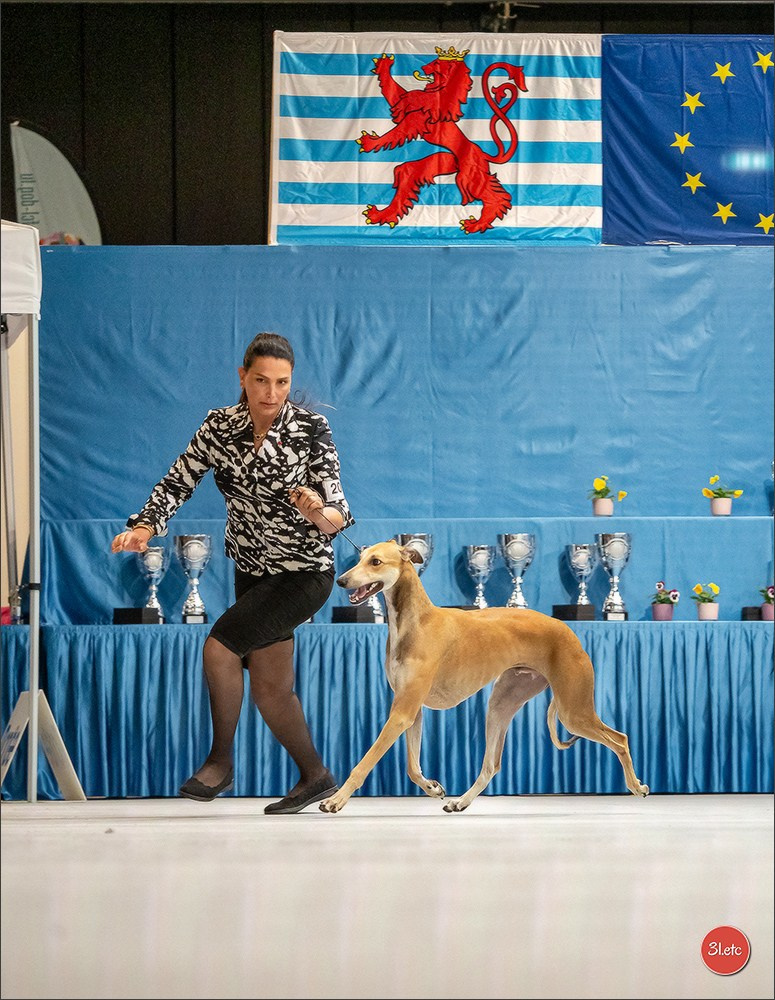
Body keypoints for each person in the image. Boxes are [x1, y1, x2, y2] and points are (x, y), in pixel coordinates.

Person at [111, 332, 353, 814]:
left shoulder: (311, 428)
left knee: (220, 648)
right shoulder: (219, 426)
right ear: (243, 377)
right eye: (261, 380)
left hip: (303, 573)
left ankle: (219, 763)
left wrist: (317, 511)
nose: (271, 393)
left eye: (282, 382)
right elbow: (178, 480)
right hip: (251, 570)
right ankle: (316, 775)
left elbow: (338, 513)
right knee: (270, 688)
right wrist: (145, 526)